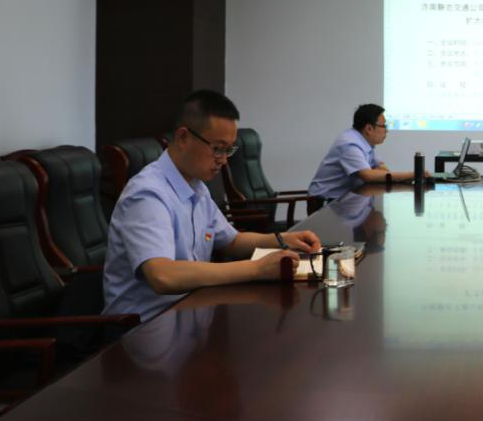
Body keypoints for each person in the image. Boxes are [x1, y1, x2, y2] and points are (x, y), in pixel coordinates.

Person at [103, 90, 321, 321]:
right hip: (145, 328)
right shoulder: (147, 194)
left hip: (190, 312)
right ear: (183, 137)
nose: (224, 160)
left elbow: (231, 241)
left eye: (229, 150)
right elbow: (163, 275)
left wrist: (282, 239)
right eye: (218, 148)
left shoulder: (196, 186)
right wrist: (257, 269)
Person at [309, 104, 421, 200]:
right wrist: (413, 175)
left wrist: (376, 173)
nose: (387, 130)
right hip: (325, 202)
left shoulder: (365, 142)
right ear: (369, 128)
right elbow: (368, 175)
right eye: (383, 126)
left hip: (344, 199)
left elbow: (383, 170)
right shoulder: (349, 144)